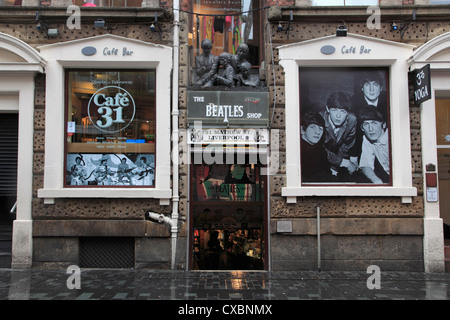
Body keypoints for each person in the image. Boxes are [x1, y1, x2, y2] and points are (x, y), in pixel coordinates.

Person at [320, 92, 358, 181]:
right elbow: (320, 149)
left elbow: (346, 145)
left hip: (337, 156)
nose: (338, 116)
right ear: (327, 109)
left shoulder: (352, 120)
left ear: (348, 112)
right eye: (334, 110)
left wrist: (335, 166)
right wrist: (342, 162)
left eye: (342, 111)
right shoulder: (319, 119)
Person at [358, 107, 390, 184]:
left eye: (374, 123)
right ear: (362, 128)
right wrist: (376, 180)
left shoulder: (392, 137)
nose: (370, 129)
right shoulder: (367, 138)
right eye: (366, 124)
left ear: (384, 124)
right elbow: (366, 165)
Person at [300, 112, 332, 183]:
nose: (318, 132)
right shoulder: (298, 152)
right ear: (302, 130)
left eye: (320, 128)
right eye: (312, 127)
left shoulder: (321, 150)